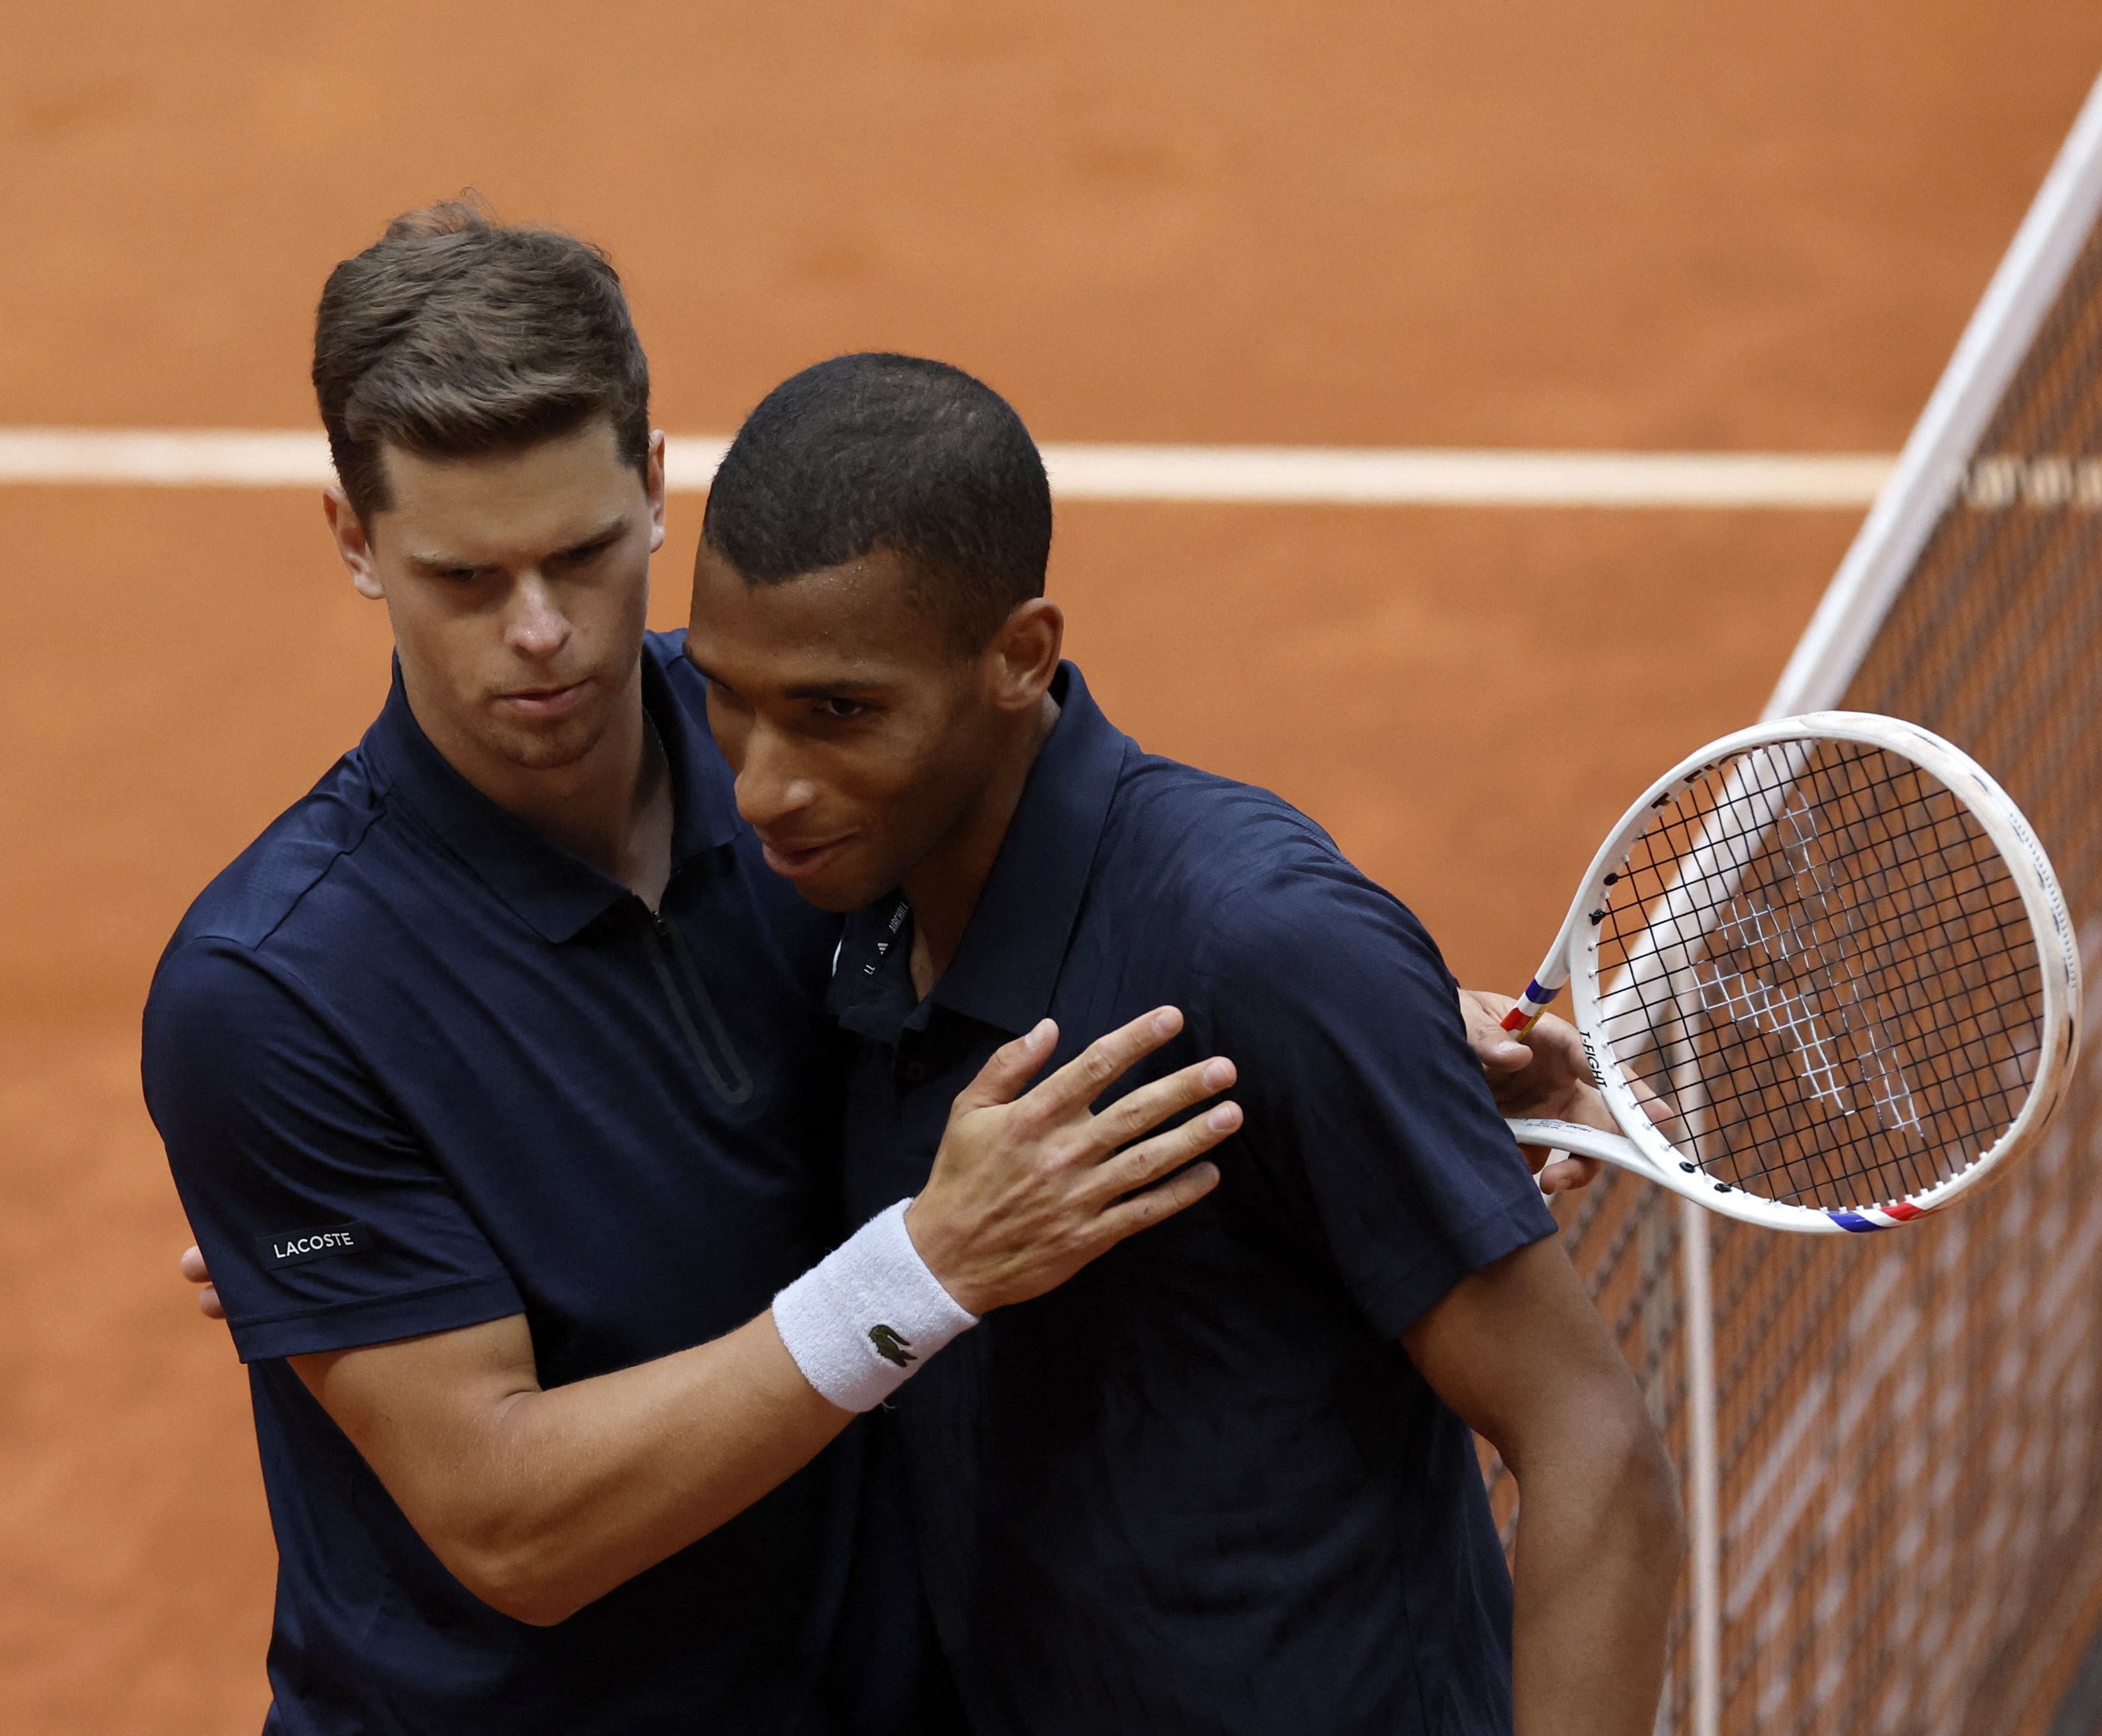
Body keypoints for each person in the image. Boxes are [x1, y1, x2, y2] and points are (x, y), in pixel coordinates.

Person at [156, 201, 1626, 1733]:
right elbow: (512, 1526)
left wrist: (1364, 1032)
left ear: (658, 494)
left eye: (584, 556)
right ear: (354, 538)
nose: (543, 636)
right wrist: (921, 1269)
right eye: (464, 580)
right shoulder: (277, 993)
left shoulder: (810, 775)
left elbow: (1099, 879)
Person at [680, 352, 1685, 1736]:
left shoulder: (1259, 953)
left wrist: (1365, 1008)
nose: (765, 786)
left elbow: (1594, 1452)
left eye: (839, 713)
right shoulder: (857, 897)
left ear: (1020, 656)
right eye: (729, 694)